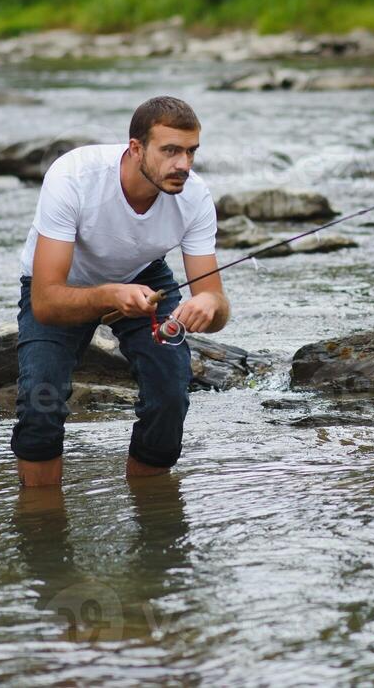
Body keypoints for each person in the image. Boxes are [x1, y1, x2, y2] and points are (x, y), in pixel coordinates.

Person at [12, 96, 230, 487]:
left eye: (191, 151)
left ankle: (152, 511)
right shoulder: (74, 176)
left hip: (143, 276)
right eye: (170, 151)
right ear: (135, 148)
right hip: (60, 285)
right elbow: (45, 303)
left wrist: (209, 303)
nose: (183, 164)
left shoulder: (194, 197)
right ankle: (40, 519)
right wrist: (110, 295)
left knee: (169, 393)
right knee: (39, 402)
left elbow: (218, 309)